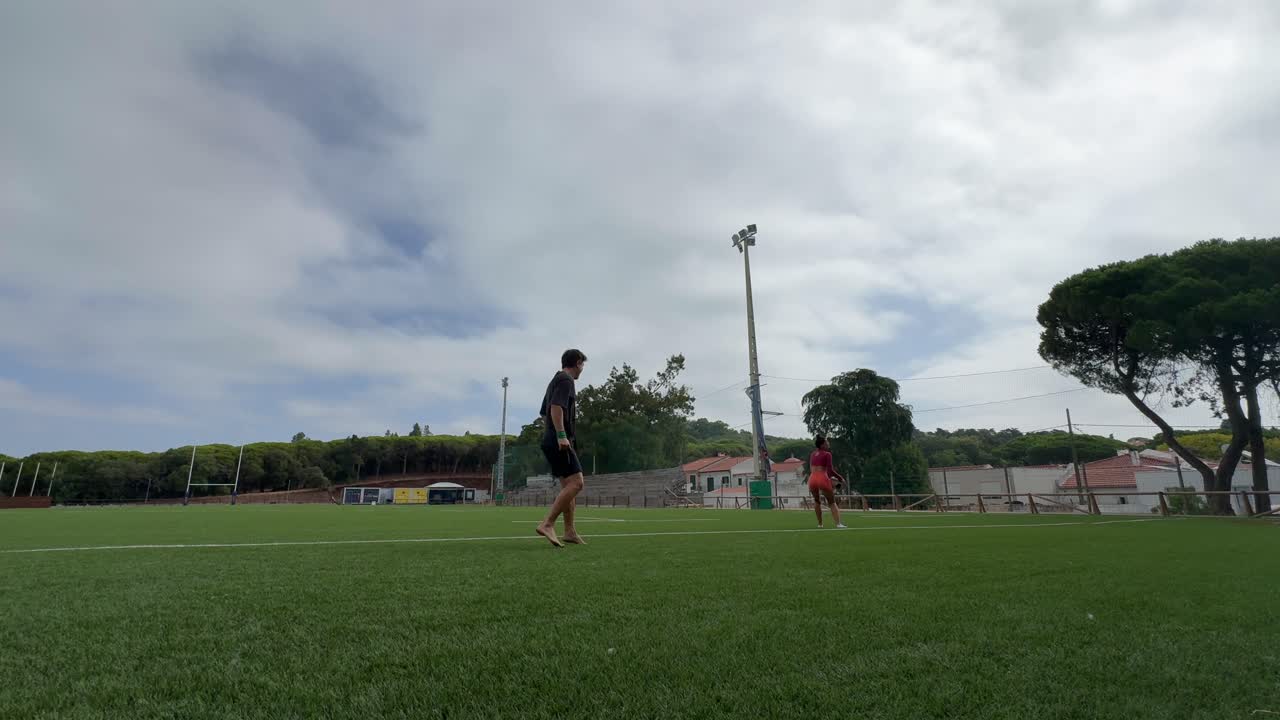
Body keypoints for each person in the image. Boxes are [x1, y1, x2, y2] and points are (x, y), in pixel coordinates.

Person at [535, 349, 588, 548]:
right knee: (577, 483)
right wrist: (561, 435)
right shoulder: (566, 380)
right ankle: (548, 524)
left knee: (569, 486)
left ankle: (569, 532)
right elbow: (556, 407)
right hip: (559, 440)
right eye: (582, 364)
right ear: (577, 362)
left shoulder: (554, 381)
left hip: (551, 440)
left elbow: (544, 413)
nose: (582, 369)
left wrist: (551, 433)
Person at [809, 436, 846, 529]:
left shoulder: (813, 454)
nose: (828, 444)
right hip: (822, 478)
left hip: (812, 478)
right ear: (822, 445)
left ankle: (820, 524)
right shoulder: (827, 454)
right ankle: (838, 524)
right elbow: (830, 470)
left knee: (817, 501)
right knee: (832, 502)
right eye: (827, 442)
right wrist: (840, 478)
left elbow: (811, 468)